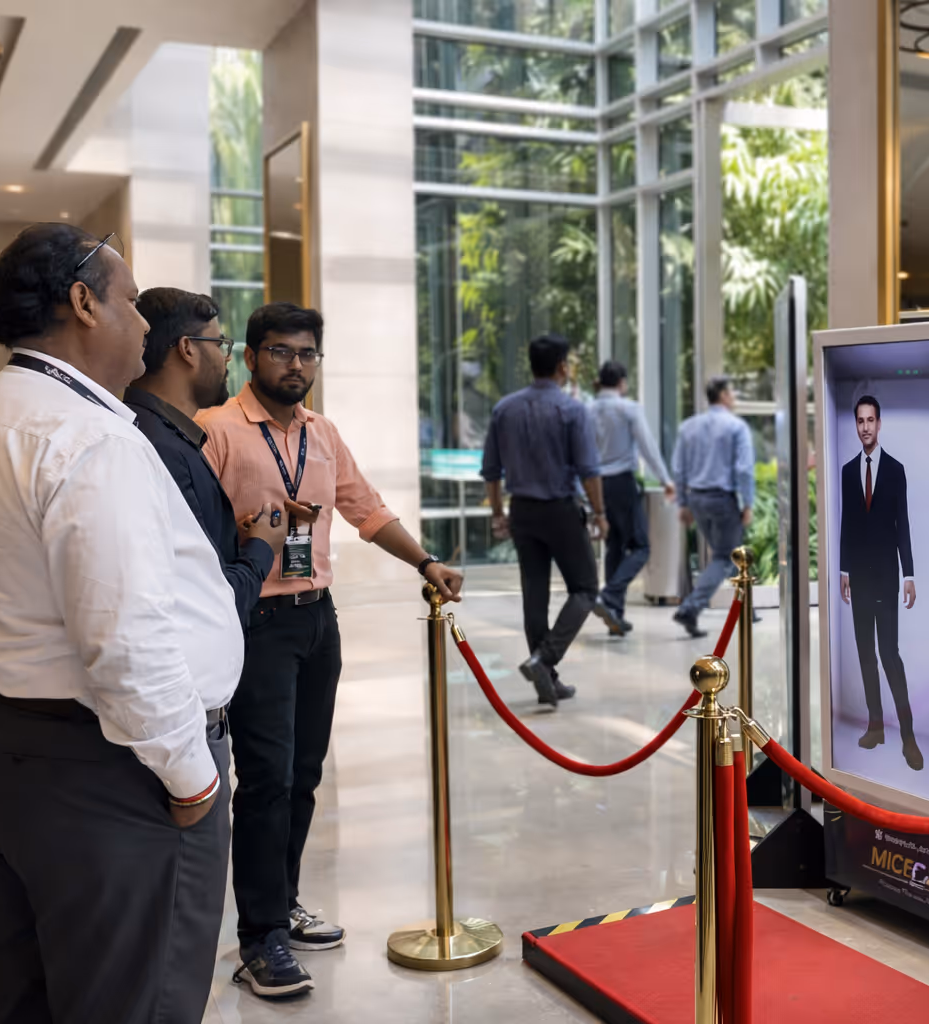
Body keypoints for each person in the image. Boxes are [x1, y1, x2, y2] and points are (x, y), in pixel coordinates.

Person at [0, 223, 242, 1023]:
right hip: (107, 772)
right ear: (84, 303)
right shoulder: (87, 438)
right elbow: (125, 642)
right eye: (131, 302)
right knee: (134, 1000)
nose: (144, 326)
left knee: (24, 988)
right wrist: (194, 777)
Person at [197, 301, 464, 999]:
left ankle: (280, 903)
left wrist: (425, 561)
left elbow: (365, 508)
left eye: (307, 354)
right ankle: (259, 941)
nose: (296, 365)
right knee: (267, 781)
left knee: (306, 776)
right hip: (254, 623)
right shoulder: (216, 431)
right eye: (281, 352)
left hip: (318, 620)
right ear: (250, 358)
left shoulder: (323, 433)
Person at [124, 287, 287, 623]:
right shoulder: (157, 445)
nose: (227, 358)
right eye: (220, 344)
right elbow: (207, 598)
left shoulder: (162, 432)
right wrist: (261, 548)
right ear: (187, 349)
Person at [481, 334, 621, 706]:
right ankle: (545, 659)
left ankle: (548, 680)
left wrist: (498, 513)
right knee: (586, 588)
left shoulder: (504, 409)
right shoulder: (572, 410)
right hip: (560, 509)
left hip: (522, 511)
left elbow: (491, 472)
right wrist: (601, 514)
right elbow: (589, 471)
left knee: (535, 592)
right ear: (562, 366)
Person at [838, 395, 922, 771]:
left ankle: (908, 735)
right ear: (856, 425)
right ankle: (876, 726)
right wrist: (843, 571)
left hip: (888, 578)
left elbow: (902, 522)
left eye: (871, 420)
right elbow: (847, 525)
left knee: (890, 655)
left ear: (879, 423)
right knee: (864, 654)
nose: (866, 427)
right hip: (859, 577)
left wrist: (909, 574)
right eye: (860, 421)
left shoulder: (895, 469)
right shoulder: (846, 471)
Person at [590, 360, 674, 634]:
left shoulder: (587, 410)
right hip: (621, 482)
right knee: (640, 546)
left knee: (614, 546)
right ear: (622, 383)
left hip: (596, 484)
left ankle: (615, 616)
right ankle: (610, 596)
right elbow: (648, 447)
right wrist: (665, 479)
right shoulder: (628, 409)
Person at [670, 376, 755, 638]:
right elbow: (743, 469)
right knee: (725, 557)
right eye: (732, 393)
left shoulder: (689, 427)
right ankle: (691, 607)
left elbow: (679, 468)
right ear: (725, 396)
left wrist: (683, 504)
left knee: (730, 553)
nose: (735, 398)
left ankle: (747, 609)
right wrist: (748, 503)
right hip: (722, 499)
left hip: (696, 499)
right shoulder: (736, 427)